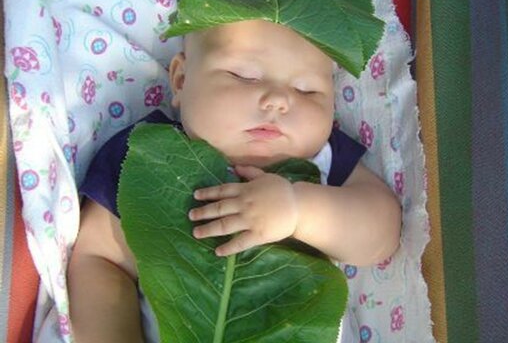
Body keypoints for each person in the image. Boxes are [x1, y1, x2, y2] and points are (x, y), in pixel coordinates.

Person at [67, 19, 401, 342]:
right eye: (245, 76)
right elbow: (99, 259)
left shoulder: (322, 162)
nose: (278, 100)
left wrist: (301, 210)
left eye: (307, 90)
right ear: (181, 81)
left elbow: (382, 233)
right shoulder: (151, 152)